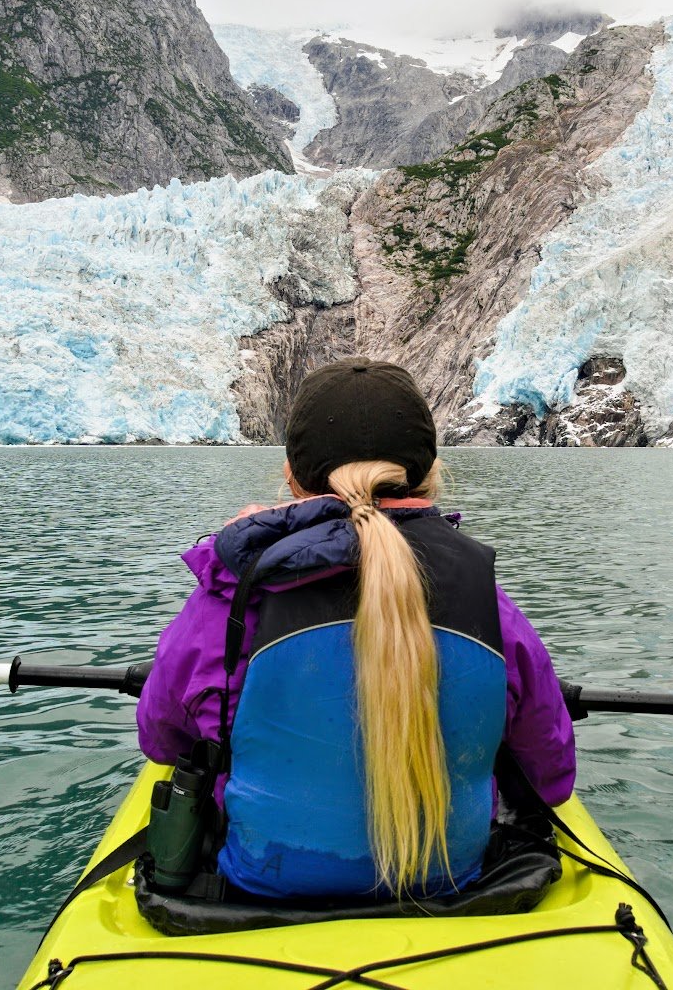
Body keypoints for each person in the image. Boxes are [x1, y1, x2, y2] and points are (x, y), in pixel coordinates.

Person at [136, 357, 577, 900]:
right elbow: (552, 780)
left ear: (293, 480)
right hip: (450, 881)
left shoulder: (227, 602)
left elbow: (160, 741)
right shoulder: (492, 608)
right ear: (430, 473)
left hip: (260, 887)